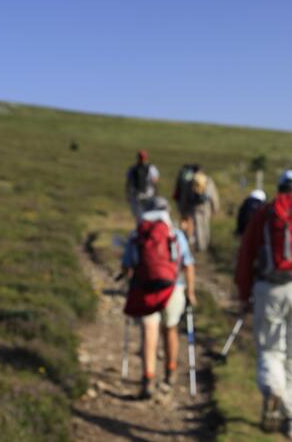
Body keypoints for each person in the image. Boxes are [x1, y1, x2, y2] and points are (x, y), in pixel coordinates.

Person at [235, 170, 292, 440]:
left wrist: (244, 295)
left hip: (267, 288)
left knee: (269, 348)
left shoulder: (264, 214)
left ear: (280, 187)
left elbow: (246, 255)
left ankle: (272, 389)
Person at [121, 197, 196, 399]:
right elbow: (187, 264)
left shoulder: (137, 235)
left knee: (149, 331)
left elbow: (127, 265)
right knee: (170, 329)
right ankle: (170, 372)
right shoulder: (174, 234)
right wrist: (190, 292)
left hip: (145, 289)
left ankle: (148, 379)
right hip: (173, 287)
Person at [187, 166, 220, 252]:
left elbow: (188, 195)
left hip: (195, 206)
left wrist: (186, 207)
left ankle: (200, 246)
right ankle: (206, 244)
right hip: (206, 206)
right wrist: (215, 207)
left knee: (198, 226)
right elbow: (213, 195)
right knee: (205, 224)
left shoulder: (192, 181)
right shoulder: (208, 180)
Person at [125, 150, 159, 219]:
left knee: (138, 215)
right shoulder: (151, 168)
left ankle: (141, 228)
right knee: (149, 214)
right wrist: (156, 194)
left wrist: (128, 194)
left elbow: (128, 183)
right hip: (149, 194)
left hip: (136, 195)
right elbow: (155, 181)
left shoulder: (132, 168)